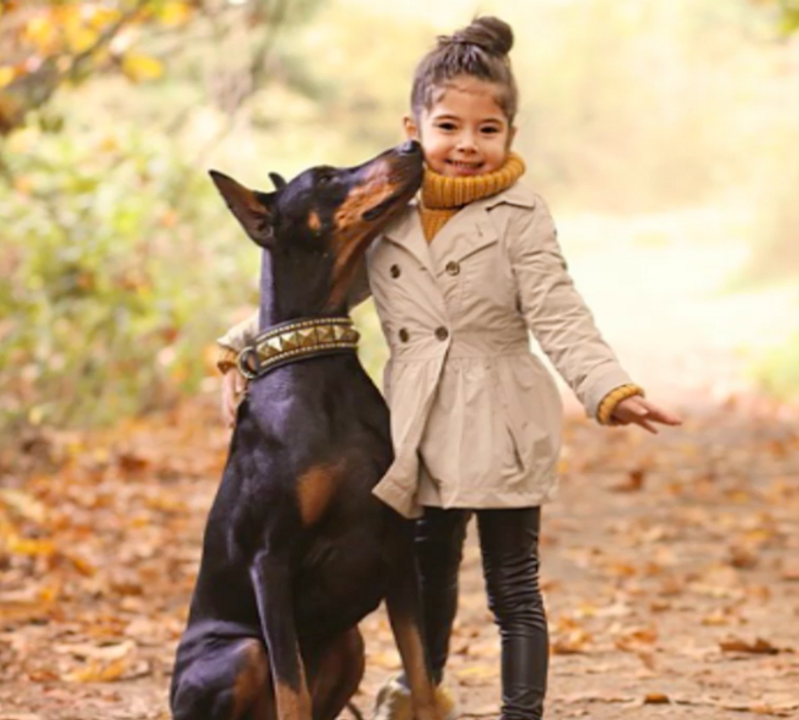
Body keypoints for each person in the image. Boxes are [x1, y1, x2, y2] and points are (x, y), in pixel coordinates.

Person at [213, 16, 683, 720]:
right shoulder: (388, 219)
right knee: (429, 568)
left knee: (513, 583)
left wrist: (607, 388)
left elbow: (558, 311)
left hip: (503, 415)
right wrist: (235, 347)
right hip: (418, 423)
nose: (467, 145)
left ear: (510, 136)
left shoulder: (521, 214)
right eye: (449, 127)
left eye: (486, 130)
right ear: (415, 127)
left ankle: (522, 710)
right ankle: (419, 694)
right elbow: (321, 294)